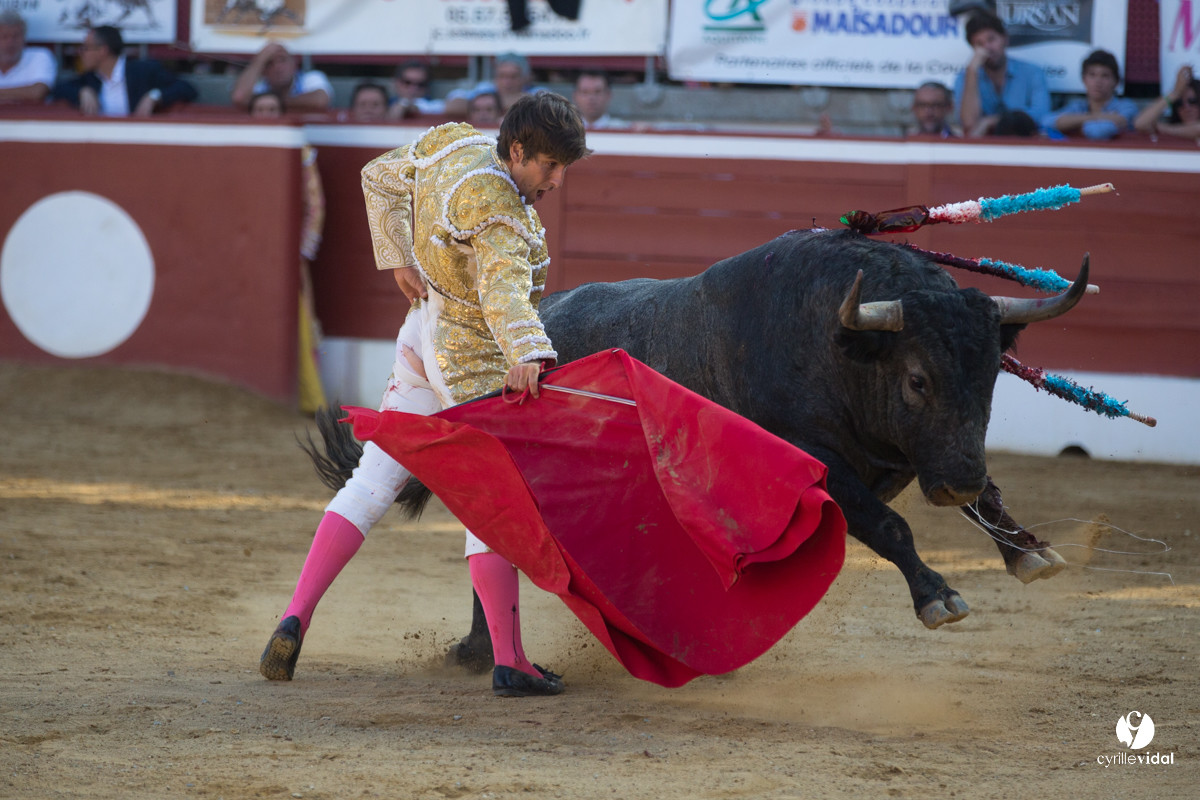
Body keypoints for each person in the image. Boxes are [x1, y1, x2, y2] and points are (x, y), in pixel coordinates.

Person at [258, 92, 591, 698]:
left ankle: (295, 617)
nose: (556, 181)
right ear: (517, 151)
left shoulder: (454, 143)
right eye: (548, 166)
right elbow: (504, 294)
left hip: (419, 335)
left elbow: (379, 176)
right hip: (471, 368)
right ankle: (510, 660)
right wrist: (527, 354)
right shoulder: (502, 215)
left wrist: (397, 258)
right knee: (491, 506)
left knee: (372, 481)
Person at [247, 90, 329, 414]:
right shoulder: (242, 147)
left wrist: (300, 252)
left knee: (299, 324)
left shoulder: (300, 152)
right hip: (246, 252)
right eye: (260, 108)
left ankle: (309, 400)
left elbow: (316, 205)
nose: (266, 115)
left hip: (285, 256)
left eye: (272, 108)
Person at [51, 25, 196, 116]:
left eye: (86, 48)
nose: (81, 53)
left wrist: (154, 96)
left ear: (102, 51)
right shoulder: (90, 78)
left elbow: (187, 88)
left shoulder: (142, 71)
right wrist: (82, 91)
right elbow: (57, 89)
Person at [954, 11, 1050, 137]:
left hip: (1025, 144)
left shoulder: (1032, 73)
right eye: (979, 44)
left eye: (991, 39)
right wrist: (972, 71)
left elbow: (1041, 115)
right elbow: (969, 124)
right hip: (983, 148)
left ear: (1005, 39)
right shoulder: (966, 77)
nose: (987, 47)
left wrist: (990, 121)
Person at [1042, 49, 1138, 141]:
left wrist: (1071, 125)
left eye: (1105, 76)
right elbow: (1047, 122)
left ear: (1116, 82)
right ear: (1084, 79)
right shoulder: (1078, 105)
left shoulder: (1126, 106)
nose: (1098, 82)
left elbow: (1096, 132)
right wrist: (1096, 117)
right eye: (1092, 75)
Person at [231, 41, 331, 113]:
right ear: (263, 71)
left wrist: (276, 103)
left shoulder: (311, 78)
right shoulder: (259, 85)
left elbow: (320, 100)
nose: (278, 67)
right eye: (269, 63)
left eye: (282, 60)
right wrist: (259, 60)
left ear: (294, 65)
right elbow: (239, 97)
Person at [444, 52, 539, 118]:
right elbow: (452, 106)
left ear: (525, 78)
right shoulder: (485, 88)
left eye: (513, 77)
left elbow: (539, 106)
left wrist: (488, 104)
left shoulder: (537, 92)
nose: (507, 82)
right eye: (502, 76)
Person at [0, 10, 56, 105]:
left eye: (16, 36)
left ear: (24, 37)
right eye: (4, 37)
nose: (10, 42)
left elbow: (38, 92)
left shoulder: (40, 56)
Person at [1134, 65, 1200, 141]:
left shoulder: (1164, 128)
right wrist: (1174, 93)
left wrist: (1162, 128)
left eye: (1192, 101)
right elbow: (1140, 124)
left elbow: (1198, 129)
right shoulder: (1170, 124)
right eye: (1179, 103)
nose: (1187, 108)